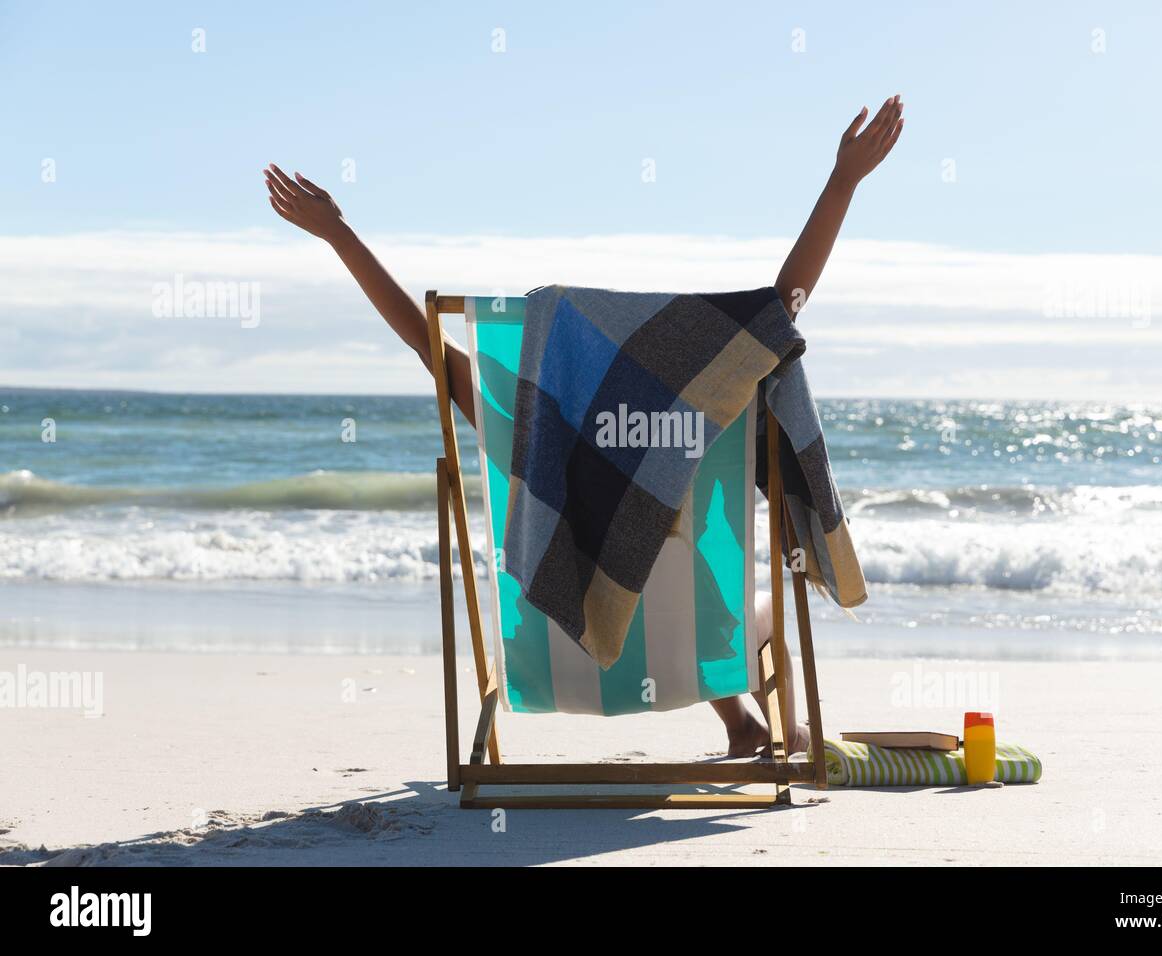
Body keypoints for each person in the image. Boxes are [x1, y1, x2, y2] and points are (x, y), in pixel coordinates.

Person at [263, 95, 904, 758]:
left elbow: (423, 342)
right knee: (708, 581)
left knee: (637, 556)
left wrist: (339, 233)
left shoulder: (525, 434)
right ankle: (777, 734)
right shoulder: (710, 418)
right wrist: (843, 180)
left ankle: (742, 727)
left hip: (561, 652)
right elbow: (783, 308)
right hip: (695, 648)